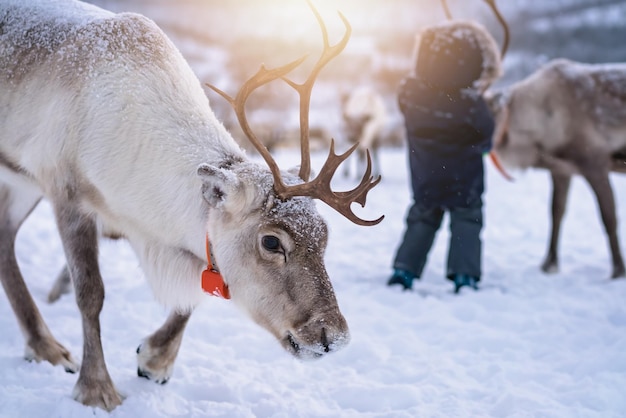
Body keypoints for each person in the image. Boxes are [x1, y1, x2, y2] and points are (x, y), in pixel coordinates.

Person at [387, 20, 502, 294]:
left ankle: (404, 270)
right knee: (467, 220)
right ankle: (464, 275)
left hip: (426, 175)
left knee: (422, 218)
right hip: (466, 179)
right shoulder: (472, 105)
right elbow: (486, 136)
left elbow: (405, 103)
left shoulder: (411, 94)